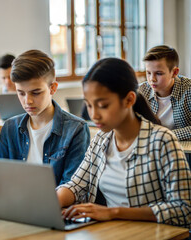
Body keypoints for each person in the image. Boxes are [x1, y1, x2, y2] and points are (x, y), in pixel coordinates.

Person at [57, 58, 190, 228]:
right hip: (113, 233)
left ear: (129, 100)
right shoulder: (101, 140)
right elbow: (77, 185)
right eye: (89, 106)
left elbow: (184, 209)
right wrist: (50, 202)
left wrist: (113, 213)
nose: (94, 115)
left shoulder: (162, 141)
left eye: (103, 105)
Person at [0, 50, 90, 186]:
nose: (27, 101)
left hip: (57, 206)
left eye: (36, 93)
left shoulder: (76, 130)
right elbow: (1, 179)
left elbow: (73, 187)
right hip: (14, 205)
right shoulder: (9, 128)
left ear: (53, 88)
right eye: (21, 93)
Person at [139, 45, 191, 141]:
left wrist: (163, 136)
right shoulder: (141, 91)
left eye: (159, 73)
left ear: (174, 72)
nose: (152, 79)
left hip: (185, 153)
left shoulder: (188, 89)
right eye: (148, 73)